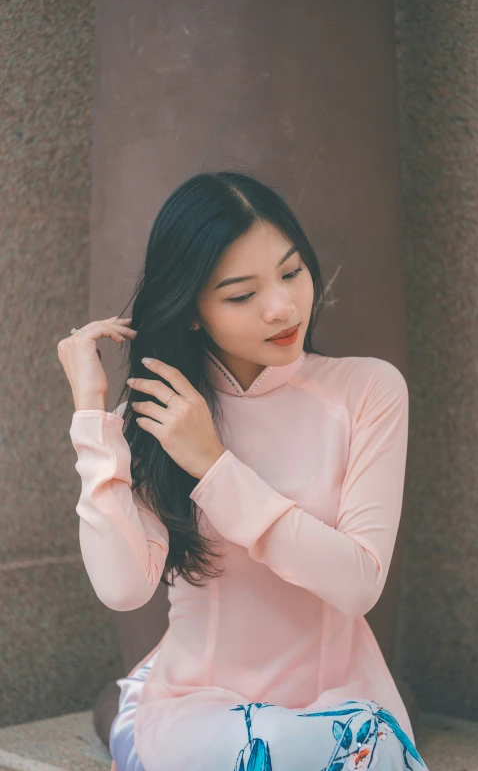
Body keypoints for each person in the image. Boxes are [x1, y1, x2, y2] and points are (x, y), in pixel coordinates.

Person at [58, 171, 429, 771]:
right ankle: (137, 713)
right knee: (268, 751)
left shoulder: (367, 390)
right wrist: (91, 420)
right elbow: (123, 588)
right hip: (197, 711)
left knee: (353, 744)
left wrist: (214, 465)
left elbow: (359, 583)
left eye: (291, 272)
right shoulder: (163, 414)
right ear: (194, 311)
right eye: (240, 294)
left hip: (337, 714)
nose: (281, 307)